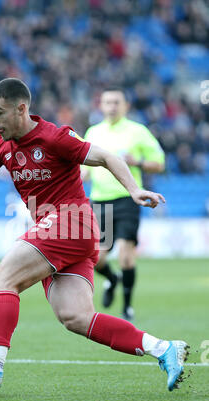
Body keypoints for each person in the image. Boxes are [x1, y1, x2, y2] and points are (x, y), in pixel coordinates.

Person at [0, 78, 188, 394]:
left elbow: (108, 157)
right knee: (76, 317)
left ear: (21, 109)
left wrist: (134, 190)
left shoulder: (55, 137)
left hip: (71, 222)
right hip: (65, 234)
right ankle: (163, 348)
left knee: (3, 279)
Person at [83, 87, 165, 320]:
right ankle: (112, 278)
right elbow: (85, 169)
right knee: (97, 258)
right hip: (100, 201)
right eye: (107, 102)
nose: (111, 106)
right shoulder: (93, 132)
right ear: (101, 106)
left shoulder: (137, 132)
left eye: (116, 102)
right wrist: (80, 176)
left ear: (126, 106)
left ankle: (127, 306)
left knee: (126, 257)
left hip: (128, 199)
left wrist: (137, 161)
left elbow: (159, 163)